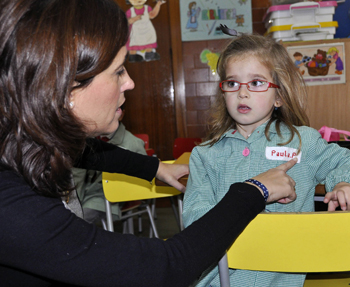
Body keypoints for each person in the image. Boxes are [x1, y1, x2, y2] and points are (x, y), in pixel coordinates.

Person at [0, 1, 297, 286]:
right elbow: (165, 267)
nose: (129, 82)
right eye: (118, 71)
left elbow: (92, 156)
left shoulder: (25, 143)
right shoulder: (12, 207)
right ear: (63, 87)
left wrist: (156, 168)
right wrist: (254, 190)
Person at [182, 33, 350, 287]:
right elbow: (195, 220)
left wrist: (340, 184)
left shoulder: (303, 141)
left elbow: (343, 161)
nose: (242, 93)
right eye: (232, 83)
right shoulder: (206, 155)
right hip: (221, 281)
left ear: (279, 96)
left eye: (257, 83)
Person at [72, 104, 148, 224]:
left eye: (114, 110)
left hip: (108, 199)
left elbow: (144, 177)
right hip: (83, 194)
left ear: (121, 114)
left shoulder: (133, 143)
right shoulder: (88, 139)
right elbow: (77, 177)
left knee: (77, 222)